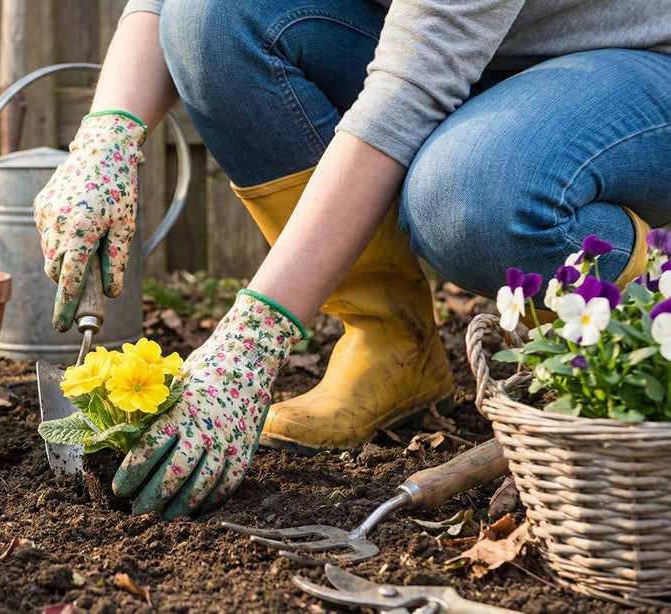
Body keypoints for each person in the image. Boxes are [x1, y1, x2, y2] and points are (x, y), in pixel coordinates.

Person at [33, 0, 671, 519]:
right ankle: (395, 346)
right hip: (457, 56)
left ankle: (653, 312)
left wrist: (253, 338)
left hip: (628, 69)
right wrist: (107, 135)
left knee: (471, 197)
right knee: (209, 20)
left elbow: (409, 92)